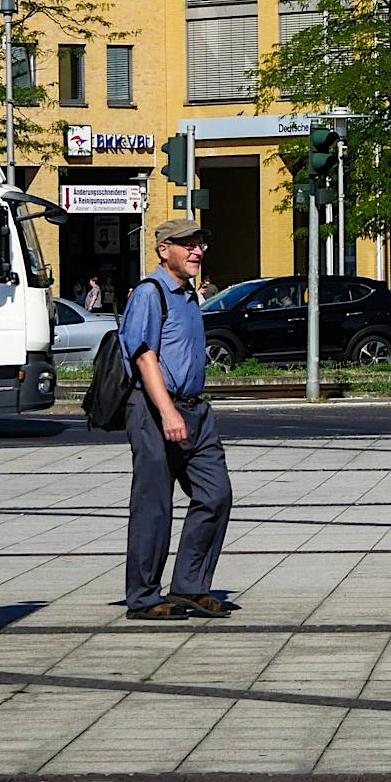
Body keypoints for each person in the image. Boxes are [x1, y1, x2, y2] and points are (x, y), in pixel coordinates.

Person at [119, 217, 236, 622]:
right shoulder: (151, 294)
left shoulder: (188, 295)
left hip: (194, 410)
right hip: (155, 410)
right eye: (186, 244)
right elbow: (143, 354)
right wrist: (167, 411)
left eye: (200, 243)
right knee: (154, 506)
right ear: (163, 250)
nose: (196, 251)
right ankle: (144, 597)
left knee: (216, 493)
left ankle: (189, 585)